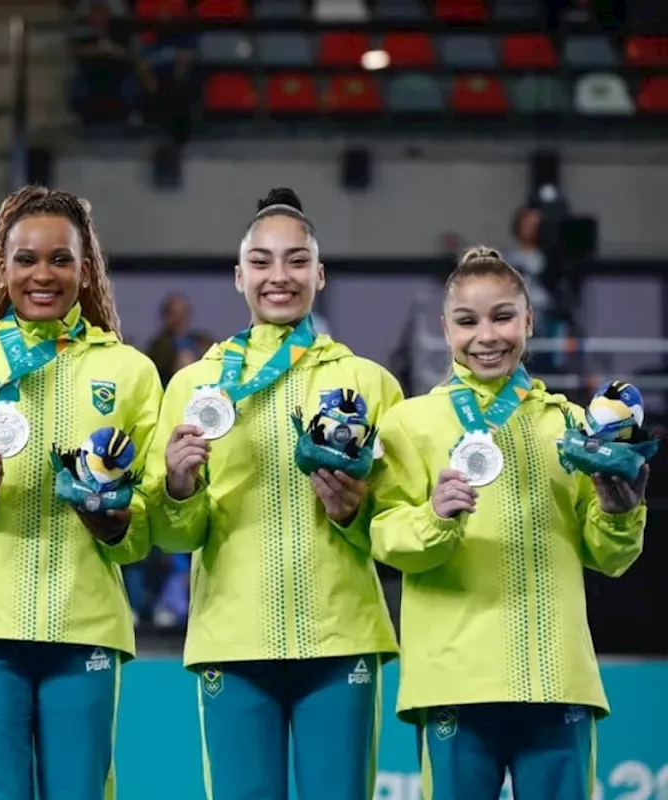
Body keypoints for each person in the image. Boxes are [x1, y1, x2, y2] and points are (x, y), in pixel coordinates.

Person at [142, 188, 403, 800]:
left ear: (319, 272)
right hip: (232, 639)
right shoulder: (195, 384)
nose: (278, 277)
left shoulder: (371, 384)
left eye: (295, 260)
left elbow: (399, 531)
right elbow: (172, 533)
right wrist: (178, 486)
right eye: (261, 262)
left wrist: (354, 511)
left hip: (342, 639)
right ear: (239, 277)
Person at [369, 246, 648, 800]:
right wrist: (433, 518)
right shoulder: (409, 423)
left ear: (528, 321)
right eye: (467, 321)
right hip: (453, 681)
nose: (486, 336)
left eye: (502, 316)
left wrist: (620, 512)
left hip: (557, 678)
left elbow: (609, 557)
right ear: (446, 329)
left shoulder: (571, 425)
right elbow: (383, 538)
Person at [0, 186, 162, 799]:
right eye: (26, 259)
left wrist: (117, 521)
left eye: (60, 259)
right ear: (2, 266)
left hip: (87, 627)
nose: (42, 275)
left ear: (86, 269)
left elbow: (153, 512)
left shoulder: (129, 371)